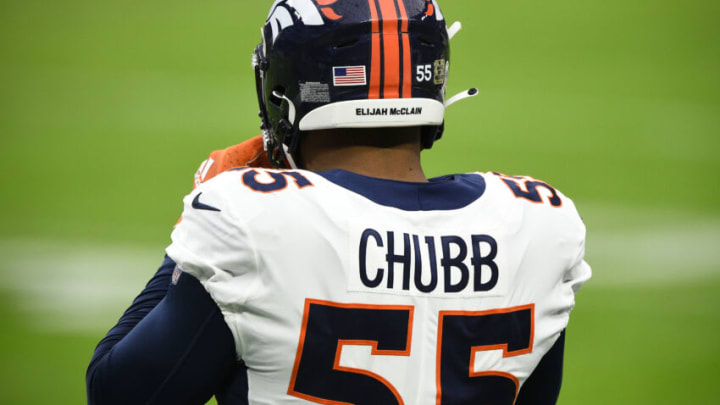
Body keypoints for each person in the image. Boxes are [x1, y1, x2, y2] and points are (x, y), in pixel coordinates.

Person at [86, 0, 591, 404]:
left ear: (283, 90)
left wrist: (188, 235)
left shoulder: (250, 215)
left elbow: (119, 392)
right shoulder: (538, 220)